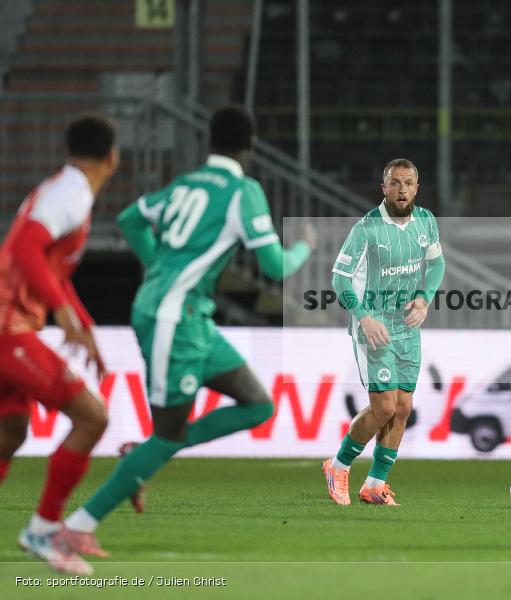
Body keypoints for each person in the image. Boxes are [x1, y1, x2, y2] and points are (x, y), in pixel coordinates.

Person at [63, 106, 315, 554]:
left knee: (258, 405)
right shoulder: (242, 191)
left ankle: (145, 451)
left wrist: (157, 261)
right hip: (169, 319)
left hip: (191, 317)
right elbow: (275, 267)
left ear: (211, 143)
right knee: (168, 433)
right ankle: (78, 525)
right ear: (250, 146)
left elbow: (130, 219)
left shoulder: (187, 183)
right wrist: (302, 249)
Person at [0, 115, 118, 574]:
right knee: (93, 416)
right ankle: (44, 530)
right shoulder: (71, 194)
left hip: (14, 327)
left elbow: (49, 268)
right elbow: (27, 247)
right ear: (112, 157)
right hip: (9, 331)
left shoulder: (60, 188)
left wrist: (83, 325)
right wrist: (63, 313)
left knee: (10, 433)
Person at [322, 158, 445, 506]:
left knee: (403, 407)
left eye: (408, 183)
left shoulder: (426, 222)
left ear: (417, 188)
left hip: (407, 328)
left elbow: (436, 262)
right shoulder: (367, 228)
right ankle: (339, 464)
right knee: (384, 407)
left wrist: (424, 297)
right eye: (395, 183)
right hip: (374, 329)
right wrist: (363, 316)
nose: (402, 189)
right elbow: (339, 277)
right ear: (384, 187)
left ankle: (375, 483)